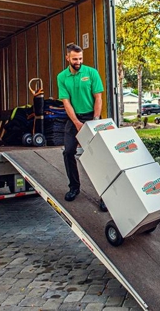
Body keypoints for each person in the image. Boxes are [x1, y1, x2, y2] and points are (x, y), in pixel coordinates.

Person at [57, 43, 103, 202]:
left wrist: (95, 121)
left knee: (97, 155)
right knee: (68, 152)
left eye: (81, 58)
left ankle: (105, 195)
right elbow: (66, 102)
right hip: (74, 118)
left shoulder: (92, 73)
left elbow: (98, 98)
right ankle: (74, 187)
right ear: (67, 58)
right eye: (75, 59)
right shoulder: (62, 77)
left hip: (92, 117)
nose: (78, 61)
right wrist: (76, 123)